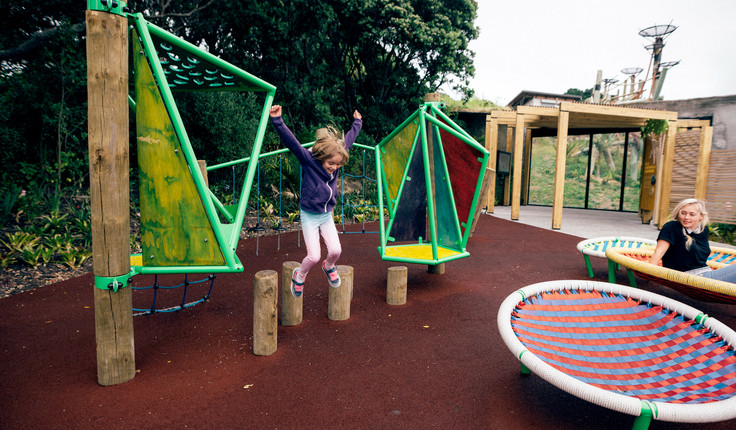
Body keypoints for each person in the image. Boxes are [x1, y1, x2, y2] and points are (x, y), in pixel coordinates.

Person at [269, 104, 363, 298]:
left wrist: (357, 122)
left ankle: (328, 267)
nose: (334, 167)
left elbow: (349, 140)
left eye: (338, 164)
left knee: (336, 251)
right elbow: (292, 143)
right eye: (331, 163)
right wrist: (277, 120)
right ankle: (299, 275)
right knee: (313, 256)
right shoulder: (309, 160)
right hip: (309, 216)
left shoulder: (336, 158)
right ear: (321, 157)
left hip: (326, 215)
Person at [649, 198, 736, 283]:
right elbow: (658, 252)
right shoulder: (672, 227)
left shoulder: (703, 230)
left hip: (705, 274)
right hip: (689, 279)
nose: (686, 217)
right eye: (683, 213)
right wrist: (648, 277)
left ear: (701, 216)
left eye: (692, 214)